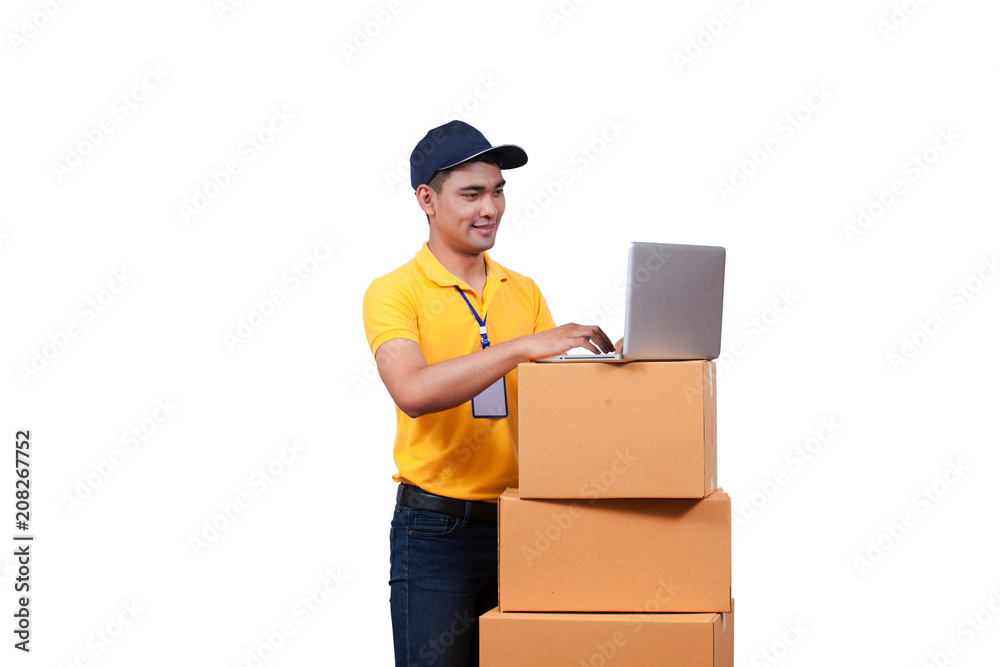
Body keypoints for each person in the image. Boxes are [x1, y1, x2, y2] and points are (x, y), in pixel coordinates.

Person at [363, 120, 617, 667]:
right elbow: (412, 390)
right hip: (436, 531)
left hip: (524, 525)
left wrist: (626, 367)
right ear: (426, 200)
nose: (491, 208)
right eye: (472, 194)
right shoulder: (393, 292)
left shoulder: (521, 290)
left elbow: (556, 404)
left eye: (499, 191)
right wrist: (521, 347)